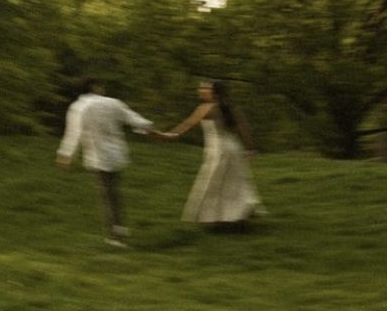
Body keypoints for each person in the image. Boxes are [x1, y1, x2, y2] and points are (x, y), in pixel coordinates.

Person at [57, 78, 153, 246]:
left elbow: (74, 134)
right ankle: (118, 230)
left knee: (107, 195)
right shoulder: (113, 103)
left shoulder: (79, 108)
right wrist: (149, 129)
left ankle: (116, 234)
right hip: (116, 154)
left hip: (98, 155)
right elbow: (135, 120)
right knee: (114, 194)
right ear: (95, 87)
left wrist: (66, 154)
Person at [156, 80, 263, 227]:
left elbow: (186, 125)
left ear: (213, 93)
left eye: (204, 88)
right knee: (234, 184)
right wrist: (251, 148)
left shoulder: (206, 108)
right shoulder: (230, 107)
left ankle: (216, 219)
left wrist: (166, 135)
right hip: (233, 148)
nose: (200, 90)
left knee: (213, 183)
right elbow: (243, 128)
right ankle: (236, 217)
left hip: (219, 150)